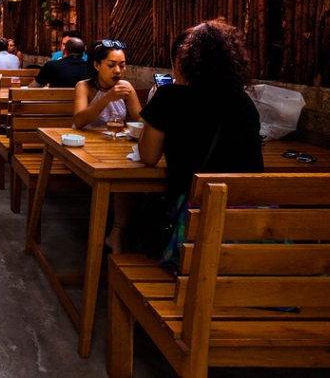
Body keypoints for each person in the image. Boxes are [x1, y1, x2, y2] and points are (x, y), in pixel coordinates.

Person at [108, 21, 264, 260]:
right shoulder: (244, 102)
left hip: (193, 233)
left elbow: (148, 157)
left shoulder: (168, 97)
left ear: (183, 63)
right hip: (249, 232)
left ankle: (118, 239)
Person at [72, 39, 142, 129]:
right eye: (111, 65)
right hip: (85, 137)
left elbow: (140, 120)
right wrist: (107, 98)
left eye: (122, 66)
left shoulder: (125, 87)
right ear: (97, 65)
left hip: (115, 136)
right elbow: (78, 122)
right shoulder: (84, 86)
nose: (117, 71)